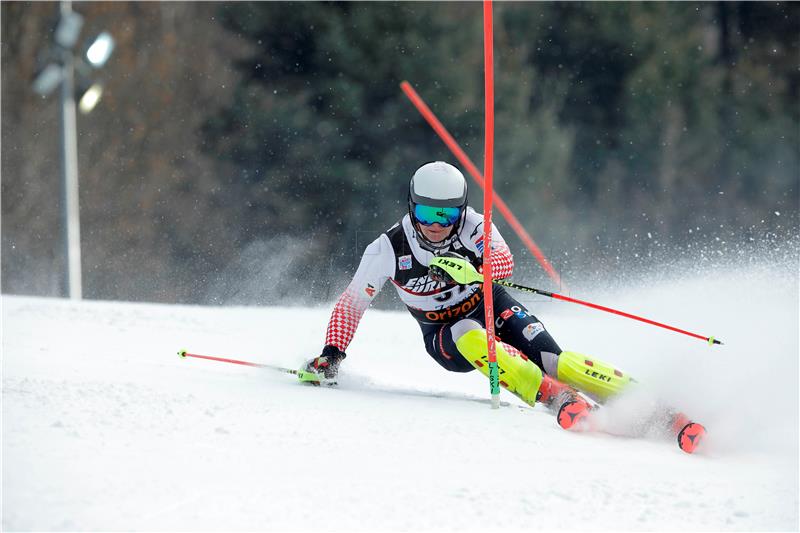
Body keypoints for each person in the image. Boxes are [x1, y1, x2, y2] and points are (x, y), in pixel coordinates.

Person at [302, 161, 634, 429]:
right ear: (411, 207)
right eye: (425, 214)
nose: (435, 225)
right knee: (467, 332)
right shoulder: (387, 249)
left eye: (446, 214)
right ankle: (554, 396)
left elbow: (504, 261)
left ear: (460, 210)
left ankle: (638, 398)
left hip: (491, 305)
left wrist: (473, 265)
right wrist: (332, 354)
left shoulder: (474, 224)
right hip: (444, 334)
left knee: (553, 361)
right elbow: (352, 304)